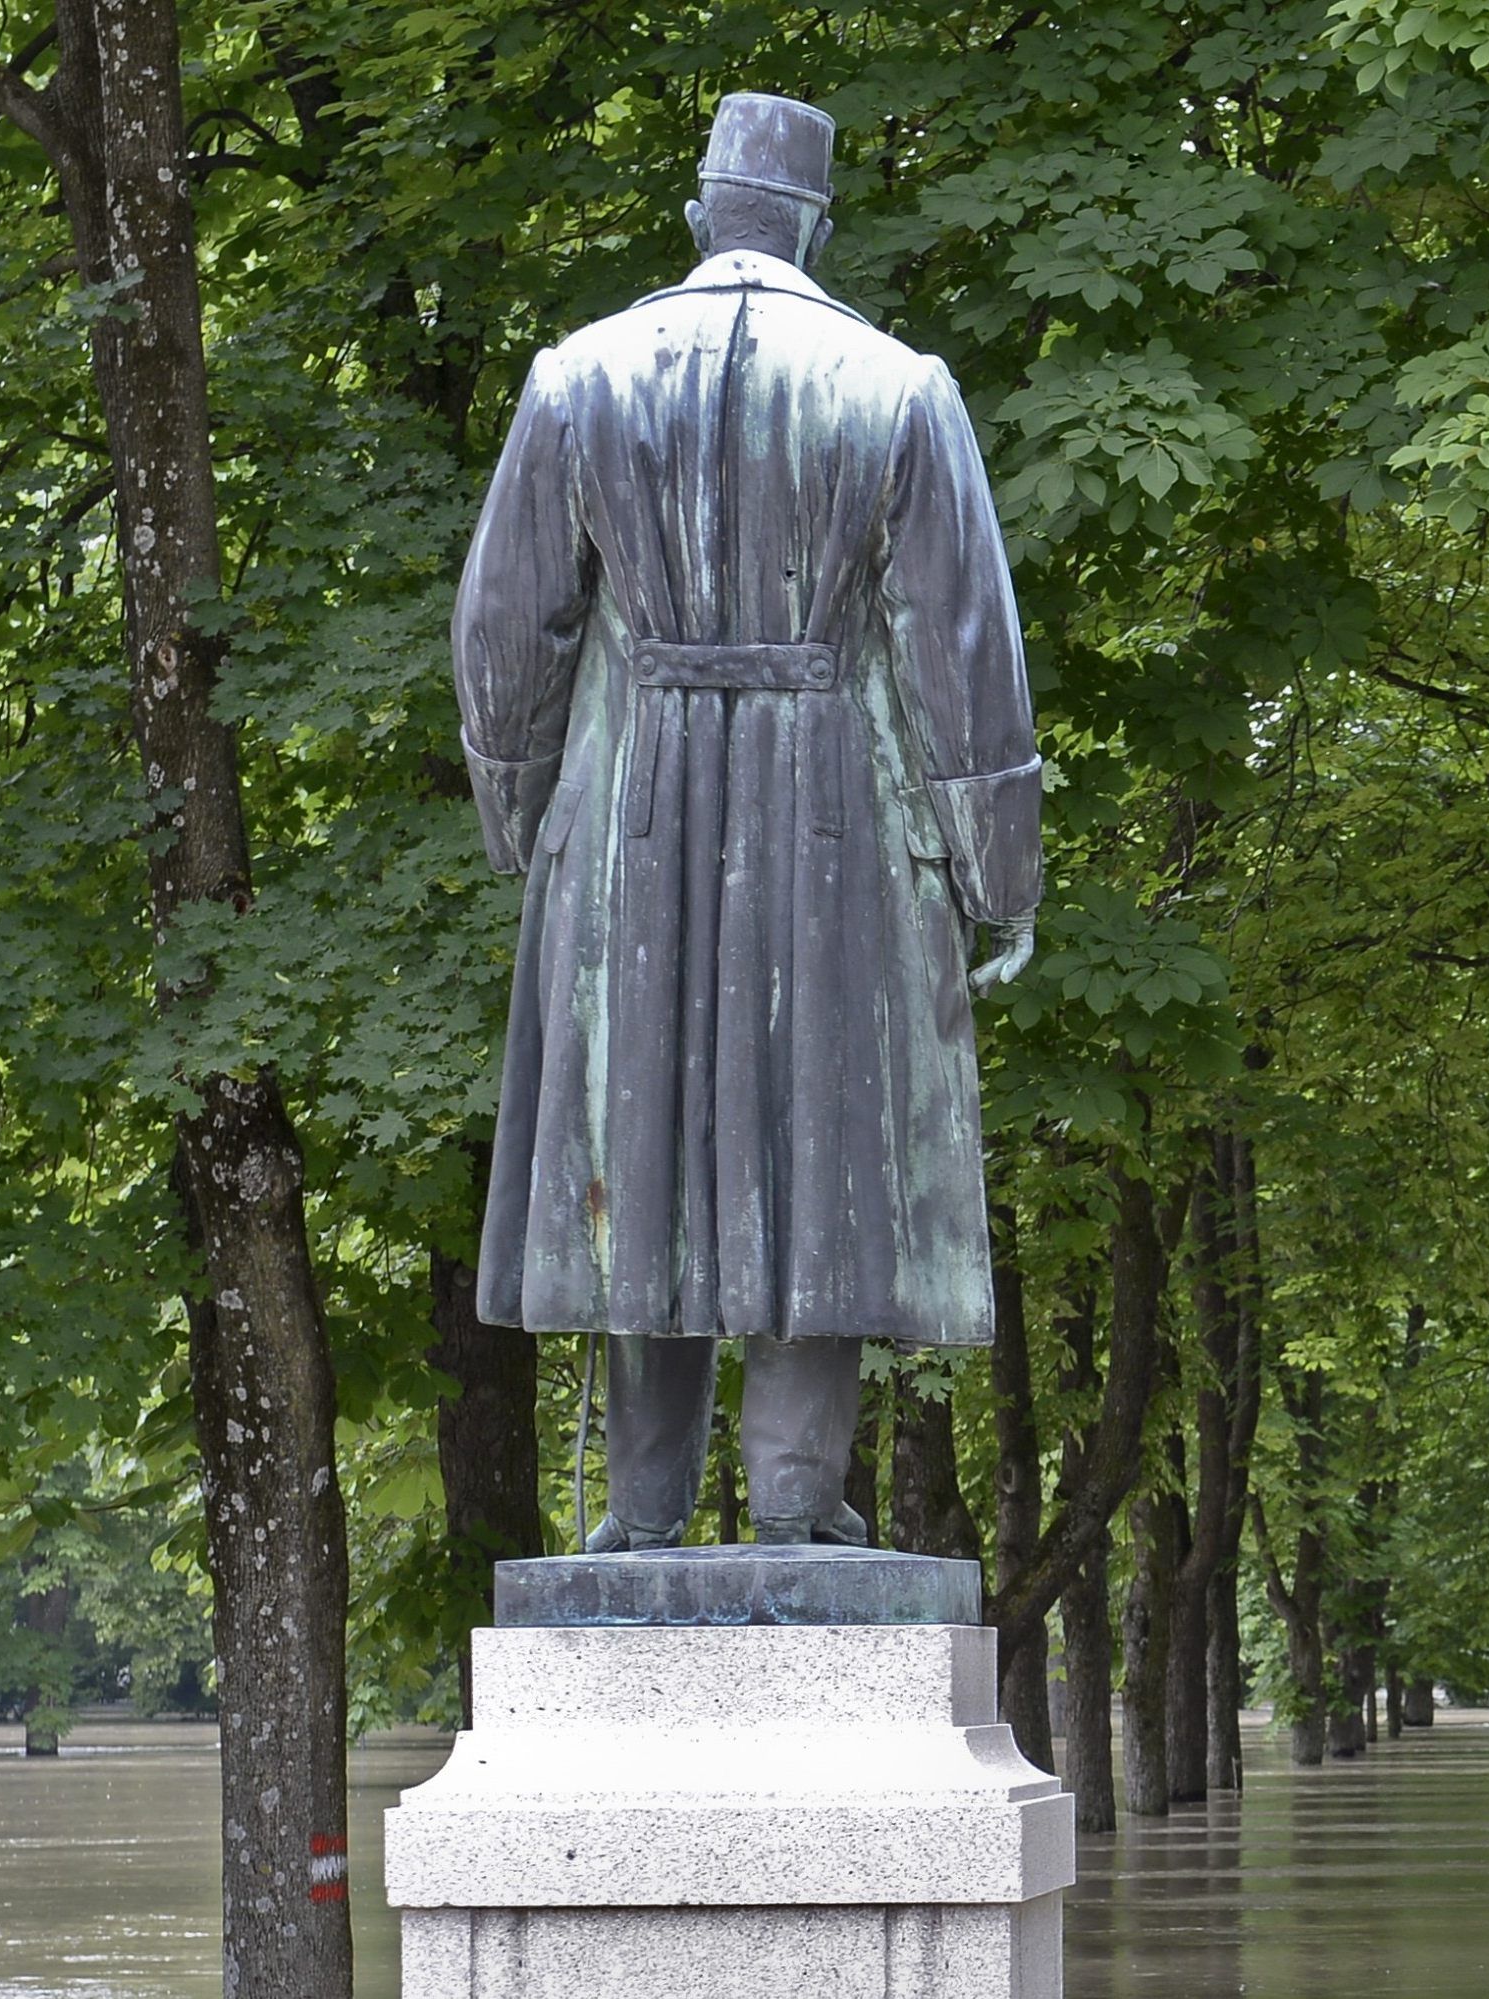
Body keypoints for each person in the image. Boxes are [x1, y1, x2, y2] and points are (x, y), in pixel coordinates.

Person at [451, 90, 1040, 1548]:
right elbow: (963, 657)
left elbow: (505, 632)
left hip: (625, 814)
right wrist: (997, 875)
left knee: (636, 1126)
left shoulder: (573, 380)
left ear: (702, 211)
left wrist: (524, 817)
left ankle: (642, 1511)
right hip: (833, 808)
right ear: (817, 225)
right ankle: (794, 1500)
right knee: (820, 1134)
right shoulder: (899, 389)